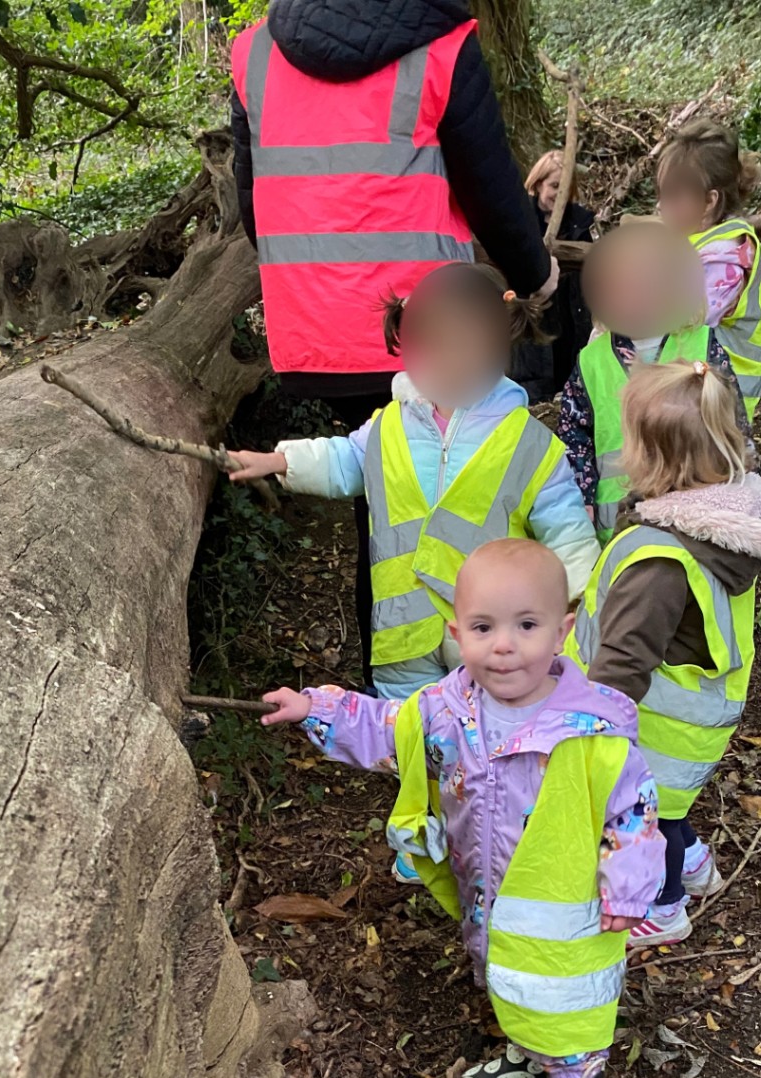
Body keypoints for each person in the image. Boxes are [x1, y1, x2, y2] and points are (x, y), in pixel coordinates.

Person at [259, 540, 665, 1078]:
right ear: (456, 633)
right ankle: (527, 1054)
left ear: (563, 629)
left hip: (573, 919)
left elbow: (634, 812)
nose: (503, 646)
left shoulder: (591, 730)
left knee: (565, 1012)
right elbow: (388, 731)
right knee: (506, 985)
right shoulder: (446, 713)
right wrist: (317, 710)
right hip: (489, 898)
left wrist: (627, 883)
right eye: (483, 628)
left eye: (526, 626)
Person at [229, 0, 558, 685]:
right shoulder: (440, 44)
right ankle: (487, 684)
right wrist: (533, 274)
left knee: (382, 511)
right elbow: (490, 182)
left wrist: (317, 285)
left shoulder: (253, 52)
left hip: (316, 332)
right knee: (473, 499)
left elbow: (249, 199)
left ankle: (396, 695)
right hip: (429, 330)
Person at [227, 262, 599, 711]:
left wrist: (577, 614)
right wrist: (279, 460)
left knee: (485, 743)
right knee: (410, 739)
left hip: (489, 638)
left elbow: (567, 533)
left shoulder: (531, 443)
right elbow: (346, 460)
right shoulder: (387, 426)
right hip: (401, 634)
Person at [567, 359, 761, 946]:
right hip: (698, 715)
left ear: (652, 459)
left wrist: (588, 732)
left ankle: (663, 906)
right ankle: (695, 863)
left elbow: (623, 665)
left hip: (655, 725)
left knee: (647, 816)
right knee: (671, 803)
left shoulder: (658, 562)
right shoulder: (727, 520)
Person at [558, 223, 750, 543]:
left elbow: (734, 425)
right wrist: (581, 512)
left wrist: (743, 492)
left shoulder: (702, 344)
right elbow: (574, 446)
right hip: (619, 528)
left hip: (698, 522)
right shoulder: (591, 361)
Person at [655, 120, 761, 424]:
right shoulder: (696, 240)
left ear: (709, 201)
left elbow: (680, 317)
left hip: (724, 391)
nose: (661, 207)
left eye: (672, 197)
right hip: (699, 384)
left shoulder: (728, 255)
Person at [512, 150, 597, 402]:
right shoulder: (520, 218)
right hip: (534, 317)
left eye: (565, 187)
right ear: (538, 185)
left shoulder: (581, 222)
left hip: (570, 319)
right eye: (554, 186)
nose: (560, 194)